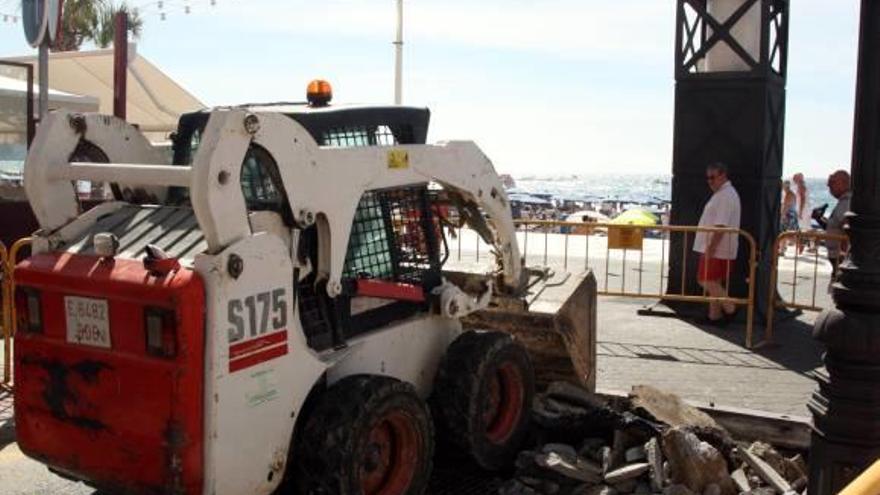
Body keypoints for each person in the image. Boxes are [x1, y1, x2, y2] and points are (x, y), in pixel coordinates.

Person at [693, 162, 741, 325]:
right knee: (714, 280)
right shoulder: (724, 193)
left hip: (717, 249)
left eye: (713, 177)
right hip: (720, 248)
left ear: (723, 175)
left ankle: (731, 307)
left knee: (705, 280)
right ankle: (714, 316)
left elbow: (721, 226)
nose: (710, 181)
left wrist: (710, 249)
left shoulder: (725, 195)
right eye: (708, 178)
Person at [813, 169, 851, 277]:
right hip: (836, 258)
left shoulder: (847, 202)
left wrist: (843, 257)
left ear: (844, 183)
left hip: (840, 259)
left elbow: (847, 229)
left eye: (832, 183)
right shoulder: (843, 202)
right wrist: (820, 219)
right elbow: (835, 227)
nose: (829, 187)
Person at [792, 172, 813, 253]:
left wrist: (800, 211)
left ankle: (806, 245)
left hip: (804, 210)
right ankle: (809, 245)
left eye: (795, 178)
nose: (794, 180)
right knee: (806, 228)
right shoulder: (801, 186)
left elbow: (803, 199)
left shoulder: (801, 187)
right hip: (804, 209)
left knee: (804, 228)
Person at [779, 180, 799, 255]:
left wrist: (782, 215)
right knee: (786, 233)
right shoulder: (791, 194)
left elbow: (786, 206)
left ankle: (799, 244)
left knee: (784, 233)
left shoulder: (789, 194)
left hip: (788, 215)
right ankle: (782, 249)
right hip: (791, 215)